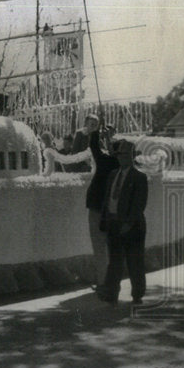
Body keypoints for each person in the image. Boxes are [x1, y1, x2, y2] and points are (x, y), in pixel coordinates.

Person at [98, 140, 148, 304]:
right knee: (114, 262)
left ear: (132, 157)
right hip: (114, 223)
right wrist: (105, 221)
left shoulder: (139, 177)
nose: (121, 158)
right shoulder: (113, 175)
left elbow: (139, 204)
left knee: (134, 261)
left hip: (132, 226)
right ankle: (111, 293)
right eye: (119, 155)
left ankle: (137, 294)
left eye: (125, 155)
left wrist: (128, 223)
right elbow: (107, 199)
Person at [85, 123, 120, 290]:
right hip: (113, 211)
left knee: (99, 246)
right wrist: (107, 137)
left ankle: (103, 282)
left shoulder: (105, 161)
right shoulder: (121, 165)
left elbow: (93, 146)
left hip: (97, 206)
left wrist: (98, 131)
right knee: (110, 247)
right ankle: (111, 281)